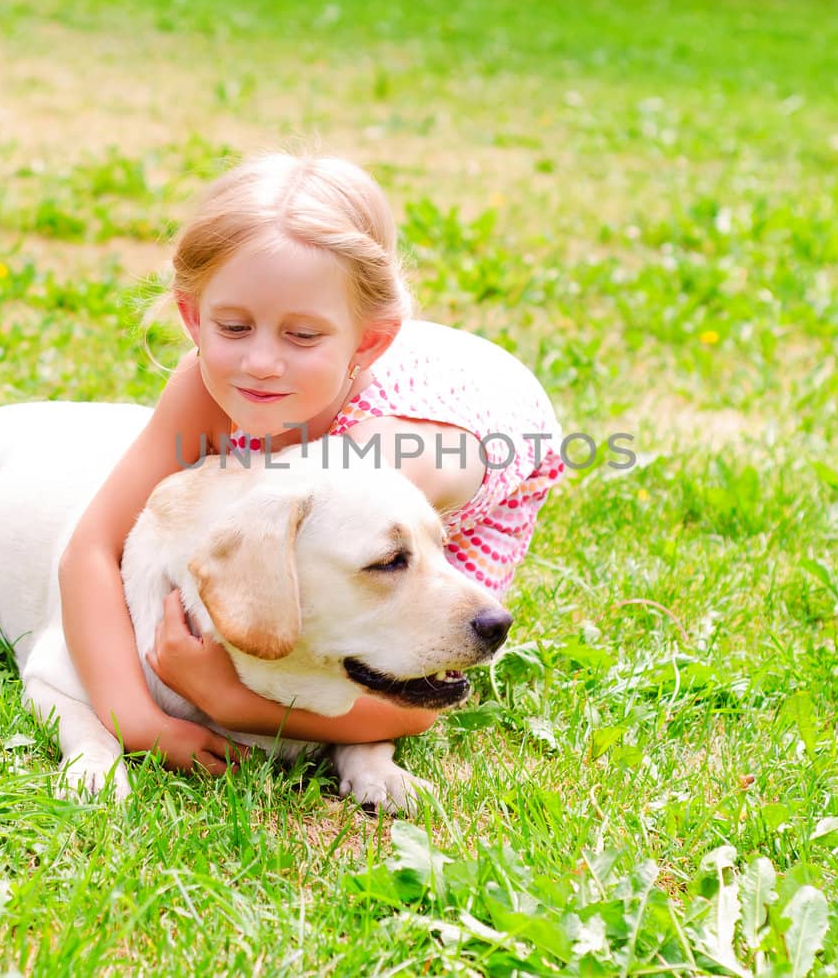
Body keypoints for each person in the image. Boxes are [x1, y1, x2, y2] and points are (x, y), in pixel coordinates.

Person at [57, 153, 565, 775]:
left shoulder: (393, 464)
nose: (262, 362)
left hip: (477, 430)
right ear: (194, 319)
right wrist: (135, 719)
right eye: (235, 325)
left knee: (404, 610)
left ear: (369, 341)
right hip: (323, 426)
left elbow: (416, 703)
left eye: (301, 336)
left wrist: (231, 701)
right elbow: (91, 547)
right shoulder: (206, 379)